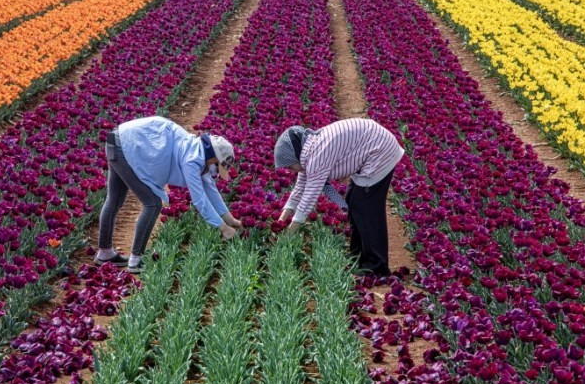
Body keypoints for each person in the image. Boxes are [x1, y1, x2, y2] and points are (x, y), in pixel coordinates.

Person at [95, 116, 242, 273]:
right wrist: (223, 228)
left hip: (118, 139)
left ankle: (105, 253)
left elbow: (210, 188)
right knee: (152, 204)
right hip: (127, 147)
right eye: (217, 169)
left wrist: (229, 219)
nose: (215, 174)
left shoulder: (195, 149)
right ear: (213, 159)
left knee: (114, 199)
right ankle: (136, 260)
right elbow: (200, 200)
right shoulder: (192, 160)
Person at [274, 118, 405, 276]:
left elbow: (309, 197)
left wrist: (288, 234)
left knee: (365, 206)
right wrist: (280, 222)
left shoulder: (317, 155)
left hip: (379, 150)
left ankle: (376, 266)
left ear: (294, 157)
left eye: (289, 166)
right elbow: (299, 189)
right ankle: (359, 258)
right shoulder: (308, 151)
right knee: (353, 200)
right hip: (372, 146)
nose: (290, 170)